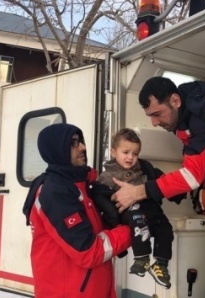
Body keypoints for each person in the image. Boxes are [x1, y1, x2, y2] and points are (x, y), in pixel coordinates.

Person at [111, 77, 205, 298]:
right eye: (150, 117)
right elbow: (195, 161)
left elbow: (192, 177)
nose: (154, 123)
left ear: (175, 100)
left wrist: (139, 191)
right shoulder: (188, 114)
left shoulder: (204, 113)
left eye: (157, 114)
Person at [22, 123, 131, 298]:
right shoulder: (55, 193)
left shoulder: (78, 186)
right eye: (73, 143)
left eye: (81, 141)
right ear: (57, 149)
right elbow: (88, 251)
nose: (83, 147)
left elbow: (94, 232)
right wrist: (131, 231)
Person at [92, 128, 175, 289]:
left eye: (135, 154)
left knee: (166, 228)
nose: (131, 157)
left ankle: (161, 265)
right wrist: (112, 220)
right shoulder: (107, 176)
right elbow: (102, 199)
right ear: (114, 152)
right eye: (126, 152)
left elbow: (158, 182)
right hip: (129, 212)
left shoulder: (144, 168)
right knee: (138, 220)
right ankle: (142, 258)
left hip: (150, 210)